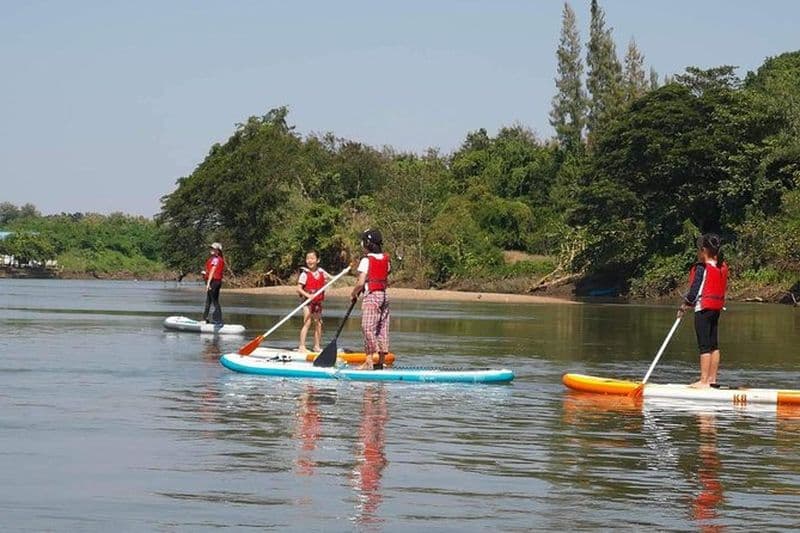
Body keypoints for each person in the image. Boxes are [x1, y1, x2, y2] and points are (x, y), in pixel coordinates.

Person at [678, 233, 728, 388]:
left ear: (704, 250)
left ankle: (704, 381)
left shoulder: (701, 268)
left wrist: (684, 305)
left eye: (699, 249)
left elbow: (694, 292)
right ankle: (712, 380)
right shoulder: (721, 266)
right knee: (713, 345)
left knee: (704, 345)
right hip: (715, 309)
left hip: (703, 309)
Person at [351, 229, 391, 370]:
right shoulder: (386, 259)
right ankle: (381, 361)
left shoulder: (366, 260)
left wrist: (354, 293)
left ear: (367, 243)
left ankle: (369, 360)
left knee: (367, 327)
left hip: (372, 296)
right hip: (384, 296)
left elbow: (361, 282)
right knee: (382, 327)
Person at [297, 250, 330, 353]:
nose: (309, 261)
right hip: (307, 302)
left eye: (312, 258)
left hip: (317, 303)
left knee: (318, 323)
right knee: (307, 322)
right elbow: (299, 289)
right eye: (308, 258)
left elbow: (329, 278)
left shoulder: (321, 272)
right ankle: (302, 346)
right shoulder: (304, 274)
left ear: (317, 260)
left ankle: (316, 346)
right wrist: (308, 296)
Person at [201, 242, 225, 325]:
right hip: (216, 282)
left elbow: (213, 271)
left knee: (214, 301)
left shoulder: (216, 259)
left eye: (213, 249)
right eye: (211, 248)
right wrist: (205, 274)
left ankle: (217, 320)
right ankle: (206, 319)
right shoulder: (218, 259)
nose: (211, 249)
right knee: (210, 301)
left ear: (218, 251)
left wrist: (208, 283)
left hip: (213, 282)